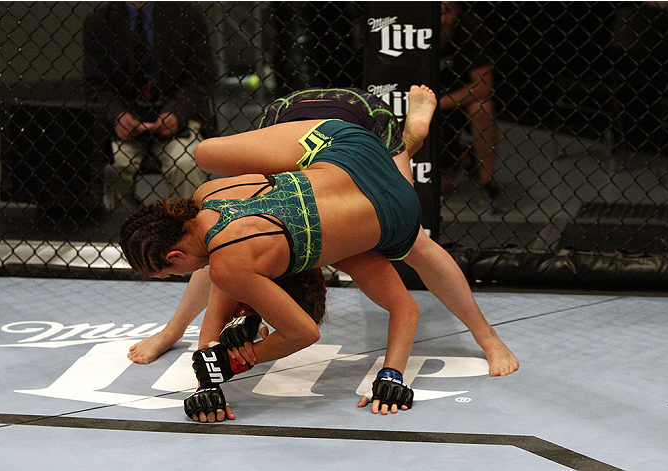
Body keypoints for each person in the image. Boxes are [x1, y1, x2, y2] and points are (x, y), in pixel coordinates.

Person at [127, 85, 519, 379]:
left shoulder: (245, 255)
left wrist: (215, 358)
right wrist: (210, 353)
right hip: (342, 145)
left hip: (318, 131)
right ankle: (405, 145)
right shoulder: (251, 245)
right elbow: (214, 266)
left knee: (211, 229)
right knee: (210, 228)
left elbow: (220, 271)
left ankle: (488, 337)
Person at [120, 118, 425, 422]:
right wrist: (209, 375)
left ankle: (406, 149)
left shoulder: (234, 265)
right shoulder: (210, 192)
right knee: (205, 153)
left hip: (401, 210)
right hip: (350, 141)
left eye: (173, 273)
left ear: (175, 255)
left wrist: (227, 366)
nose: (185, 275)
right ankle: (404, 147)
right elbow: (218, 313)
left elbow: (304, 332)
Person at [83, 1, 213, 207]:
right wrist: (118, 115)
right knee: (113, 166)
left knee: (185, 164)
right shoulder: (98, 20)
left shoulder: (187, 13)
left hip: (177, 116)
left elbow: (200, 77)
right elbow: (96, 83)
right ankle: (125, 228)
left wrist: (176, 113)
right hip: (124, 120)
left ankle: (187, 228)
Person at [438, 1, 501, 206]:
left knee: (482, 108)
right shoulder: (411, 30)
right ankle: (463, 158)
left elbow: (484, 86)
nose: (445, 19)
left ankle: (487, 184)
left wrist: (438, 103)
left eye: (449, 11)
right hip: (424, 103)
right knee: (440, 187)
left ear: (459, 10)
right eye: (439, 12)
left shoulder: (471, 29)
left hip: (459, 100)